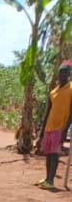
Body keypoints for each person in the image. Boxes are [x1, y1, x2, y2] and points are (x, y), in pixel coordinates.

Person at [36, 63, 72, 191]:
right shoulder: (53, 91)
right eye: (60, 72)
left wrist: (65, 130)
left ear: (69, 75)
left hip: (60, 127)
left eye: (65, 73)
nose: (62, 75)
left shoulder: (71, 89)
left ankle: (51, 180)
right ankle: (47, 178)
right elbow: (48, 111)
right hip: (49, 127)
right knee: (48, 153)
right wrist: (42, 130)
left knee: (55, 153)